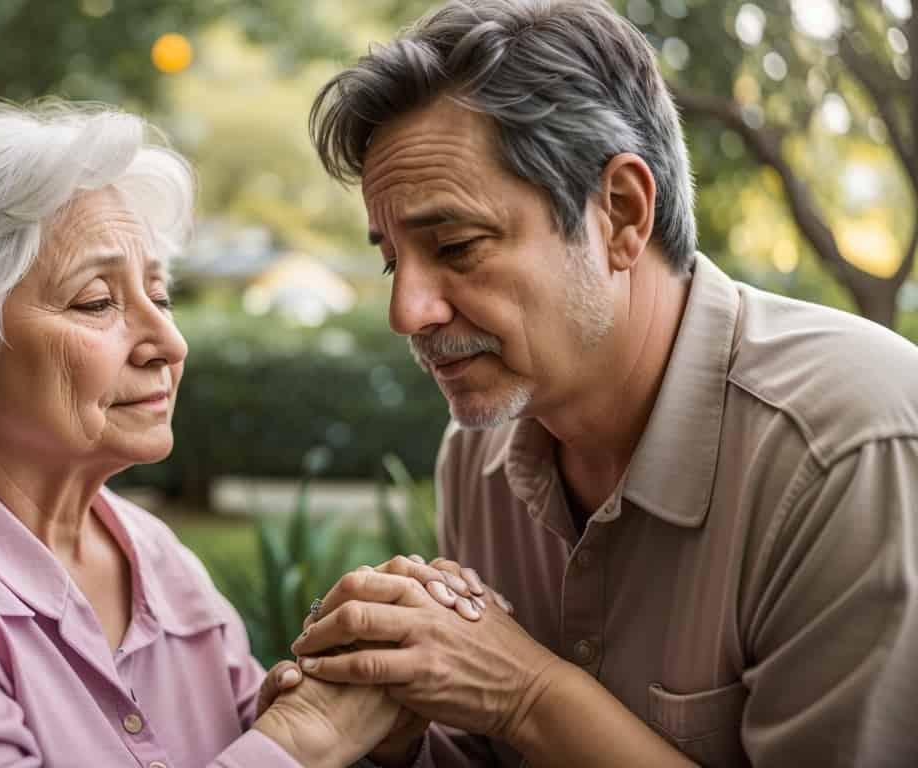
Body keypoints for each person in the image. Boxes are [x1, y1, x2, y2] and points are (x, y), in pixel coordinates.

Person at [0, 100, 488, 767]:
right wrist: (303, 739)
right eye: (98, 301)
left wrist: (373, 721)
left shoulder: (163, 564)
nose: (168, 341)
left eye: (161, 294)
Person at [292, 1, 918, 766]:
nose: (406, 311)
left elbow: (512, 699)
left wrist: (525, 694)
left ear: (621, 214)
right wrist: (380, 732)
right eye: (393, 260)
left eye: (455, 246)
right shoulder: (480, 457)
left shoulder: (848, 446)